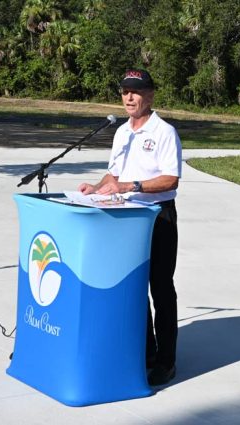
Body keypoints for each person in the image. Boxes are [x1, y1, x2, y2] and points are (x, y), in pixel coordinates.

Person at [78, 68, 182, 387]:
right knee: (134, 288)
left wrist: (130, 186)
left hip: (157, 216)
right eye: (124, 91)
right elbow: (113, 175)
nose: (129, 97)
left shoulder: (164, 132)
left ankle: (166, 361)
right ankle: (147, 353)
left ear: (150, 95)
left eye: (136, 92)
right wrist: (97, 188)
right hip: (126, 219)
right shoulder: (122, 132)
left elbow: (171, 178)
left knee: (160, 288)